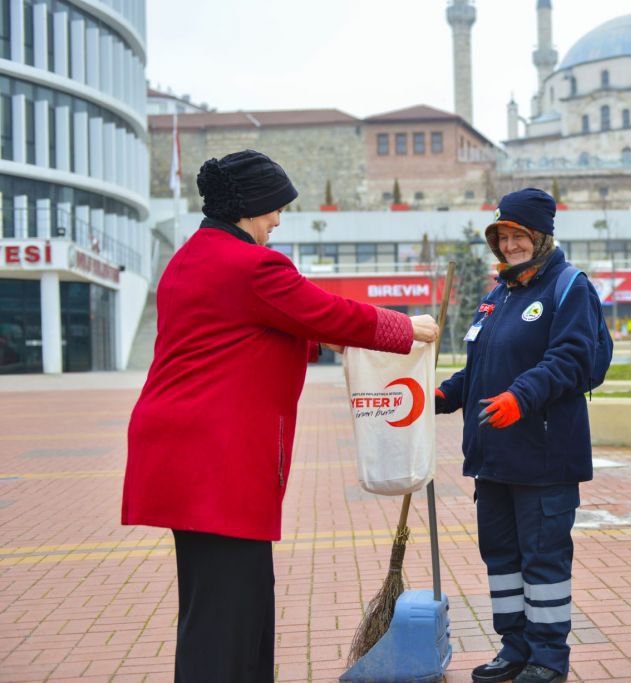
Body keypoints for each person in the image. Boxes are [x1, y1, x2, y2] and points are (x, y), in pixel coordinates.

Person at [121, 149, 438, 683]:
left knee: (215, 603)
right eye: (276, 208)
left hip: (181, 453)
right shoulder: (253, 265)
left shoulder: (193, 256)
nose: (278, 219)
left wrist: (320, 341)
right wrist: (408, 329)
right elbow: (323, 310)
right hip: (215, 459)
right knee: (230, 609)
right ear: (253, 205)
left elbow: (259, 326)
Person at [435, 188, 604, 683]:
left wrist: (521, 396)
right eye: (502, 237)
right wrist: (443, 396)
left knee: (543, 559)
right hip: (494, 455)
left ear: (541, 236)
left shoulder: (569, 288)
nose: (510, 246)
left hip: (544, 454)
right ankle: (515, 647)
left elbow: (571, 359)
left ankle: (548, 658)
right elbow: (480, 368)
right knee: (503, 558)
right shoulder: (498, 295)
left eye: (519, 236)